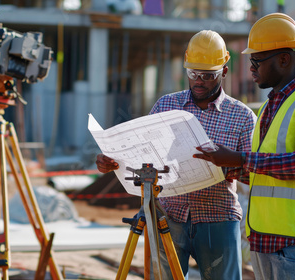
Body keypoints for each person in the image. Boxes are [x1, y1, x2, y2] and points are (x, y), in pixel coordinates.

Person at [96, 30, 257, 279]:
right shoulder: (165, 106)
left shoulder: (243, 117)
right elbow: (142, 154)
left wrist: (228, 164)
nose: (199, 81)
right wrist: (114, 161)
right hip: (168, 217)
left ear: (224, 70)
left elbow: (255, 174)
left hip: (218, 219)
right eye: (193, 73)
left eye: (207, 75)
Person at [194, 13, 295, 279]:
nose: (251, 68)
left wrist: (239, 159)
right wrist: (224, 168)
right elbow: (267, 173)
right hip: (267, 242)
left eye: (256, 61)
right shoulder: (269, 107)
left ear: (283, 59)